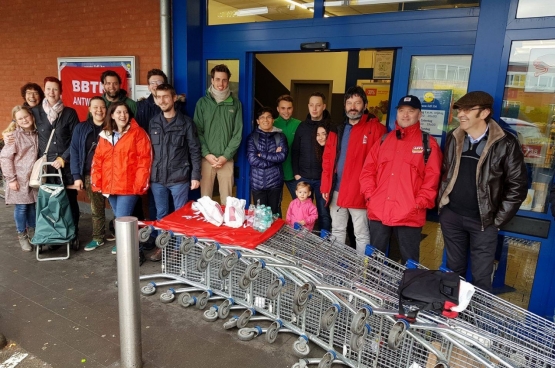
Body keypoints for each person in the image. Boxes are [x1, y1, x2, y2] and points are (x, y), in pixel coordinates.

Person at [438, 91, 527, 291]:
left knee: (481, 276)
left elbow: (517, 186)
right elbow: (446, 173)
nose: (461, 114)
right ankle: (452, 315)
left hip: (483, 222)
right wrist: (443, 207)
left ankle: (476, 319)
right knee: (453, 271)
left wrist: (496, 222)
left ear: (485, 112)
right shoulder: (454, 137)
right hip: (452, 216)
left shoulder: (506, 143)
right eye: (460, 109)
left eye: (468, 110)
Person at [360, 95, 442, 264]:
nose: (405, 115)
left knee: (410, 262)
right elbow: (367, 171)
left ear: (419, 115)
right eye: (402, 111)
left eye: (410, 111)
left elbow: (432, 178)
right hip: (379, 210)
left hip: (409, 214)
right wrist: (370, 196)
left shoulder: (428, 143)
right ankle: (374, 290)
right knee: (375, 260)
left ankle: (408, 290)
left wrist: (418, 203)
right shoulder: (384, 140)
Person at [321, 86, 386, 255]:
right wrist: (324, 187)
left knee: (362, 234)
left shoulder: (375, 129)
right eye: (349, 103)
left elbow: (381, 164)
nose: (353, 107)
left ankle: (361, 273)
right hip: (336, 190)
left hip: (360, 192)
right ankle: (336, 268)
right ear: (344, 106)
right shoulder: (337, 129)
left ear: (364, 105)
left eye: (357, 103)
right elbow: (327, 160)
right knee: (337, 230)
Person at [148, 83, 202, 261]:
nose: (162, 100)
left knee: (180, 215)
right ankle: (162, 247)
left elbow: (195, 150)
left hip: (179, 177)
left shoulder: (186, 123)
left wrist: (195, 175)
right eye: (159, 97)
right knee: (161, 215)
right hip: (157, 178)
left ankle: (179, 249)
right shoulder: (153, 122)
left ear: (174, 98)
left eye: (166, 97)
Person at [91, 101, 152, 255]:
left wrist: (139, 184)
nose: (122, 115)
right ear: (112, 115)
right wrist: (97, 182)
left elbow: (144, 160)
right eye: (118, 112)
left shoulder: (138, 133)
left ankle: (130, 250)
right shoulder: (105, 135)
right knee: (120, 219)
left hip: (128, 186)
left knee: (122, 219)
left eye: (125, 112)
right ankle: (132, 247)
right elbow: (98, 160)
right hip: (110, 186)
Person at [32, 77, 81, 246]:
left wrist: (64, 158)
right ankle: (53, 234)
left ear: (60, 92)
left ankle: (73, 233)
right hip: (46, 168)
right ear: (44, 91)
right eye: (48, 89)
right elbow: (21, 126)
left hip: (65, 166)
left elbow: (76, 140)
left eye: (55, 89)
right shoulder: (35, 112)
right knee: (49, 202)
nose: (51, 92)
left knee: (69, 201)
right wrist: (8, 135)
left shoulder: (69, 113)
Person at [193, 64, 242, 205]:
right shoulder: (202, 103)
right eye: (218, 79)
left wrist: (225, 156)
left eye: (224, 80)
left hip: (226, 160)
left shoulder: (235, 104)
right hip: (206, 159)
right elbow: (197, 132)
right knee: (205, 202)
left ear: (228, 81)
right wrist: (207, 154)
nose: (221, 84)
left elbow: (237, 133)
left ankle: (227, 226)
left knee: (228, 202)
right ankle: (206, 227)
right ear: (212, 80)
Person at [70, 97, 110, 252]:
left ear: (106, 109)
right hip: (89, 175)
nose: (99, 110)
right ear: (89, 109)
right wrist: (76, 176)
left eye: (102, 107)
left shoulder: (112, 126)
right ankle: (98, 237)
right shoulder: (81, 128)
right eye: (95, 107)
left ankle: (118, 234)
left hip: (112, 175)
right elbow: (74, 152)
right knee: (96, 208)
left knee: (118, 207)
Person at [291, 92, 332, 232]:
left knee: (323, 213)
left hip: (322, 179)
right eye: (311, 105)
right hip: (304, 178)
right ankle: (305, 240)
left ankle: (324, 242)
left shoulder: (330, 127)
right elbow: (295, 151)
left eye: (318, 105)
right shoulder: (302, 127)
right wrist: (296, 173)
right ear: (308, 106)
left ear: (324, 106)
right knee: (303, 212)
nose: (314, 108)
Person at [0, 106, 38, 252]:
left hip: (32, 178)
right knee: (21, 207)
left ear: (32, 116)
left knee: (32, 206)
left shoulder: (36, 134)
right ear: (16, 121)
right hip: (19, 178)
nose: (24, 120)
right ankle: (22, 235)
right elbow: (5, 158)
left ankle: (34, 232)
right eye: (20, 118)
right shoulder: (14, 136)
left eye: (26, 117)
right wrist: (11, 179)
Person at [247, 107, 288, 215]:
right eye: (262, 117)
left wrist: (262, 154)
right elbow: (252, 159)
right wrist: (274, 157)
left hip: (275, 183)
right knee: (260, 215)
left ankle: (276, 233)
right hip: (257, 183)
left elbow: (282, 156)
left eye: (269, 117)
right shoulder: (252, 138)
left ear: (273, 120)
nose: (266, 120)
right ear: (257, 121)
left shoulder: (280, 136)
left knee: (275, 214)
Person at [273, 95, 301, 199]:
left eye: (289, 108)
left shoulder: (299, 124)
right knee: (276, 204)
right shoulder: (271, 124)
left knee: (300, 201)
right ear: (278, 109)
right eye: (283, 108)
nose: (286, 111)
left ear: (292, 108)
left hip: (294, 172)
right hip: (275, 172)